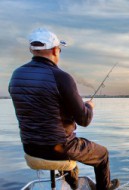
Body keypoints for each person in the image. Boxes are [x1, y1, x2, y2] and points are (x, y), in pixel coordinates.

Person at [8, 28, 120, 190]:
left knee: (69, 144)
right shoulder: (61, 77)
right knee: (102, 154)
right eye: (59, 49)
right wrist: (89, 106)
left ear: (32, 50)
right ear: (55, 50)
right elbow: (84, 120)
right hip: (59, 149)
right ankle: (105, 187)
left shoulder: (16, 75)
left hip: (30, 147)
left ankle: (73, 185)